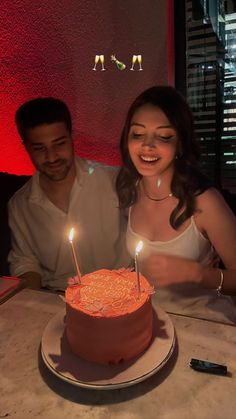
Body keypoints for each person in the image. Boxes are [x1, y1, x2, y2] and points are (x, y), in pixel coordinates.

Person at [116, 86, 236, 296]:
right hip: (146, 317)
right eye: (138, 134)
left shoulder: (205, 203)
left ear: (180, 144)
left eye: (163, 136)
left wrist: (198, 273)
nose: (147, 145)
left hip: (199, 320)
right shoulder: (130, 190)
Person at [8, 97, 131, 291]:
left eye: (59, 143)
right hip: (59, 299)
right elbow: (25, 261)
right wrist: (33, 306)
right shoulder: (20, 205)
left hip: (119, 295)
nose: (52, 157)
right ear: (26, 147)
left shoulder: (113, 181)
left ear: (71, 137)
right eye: (39, 148)